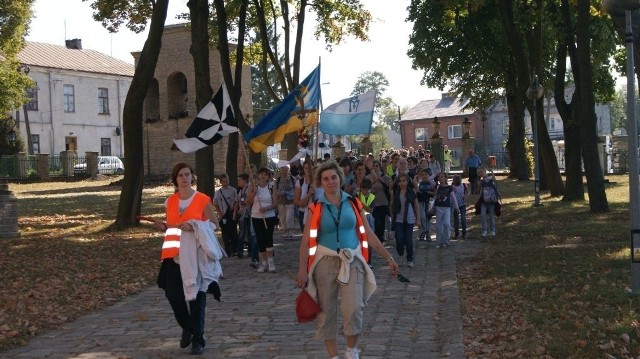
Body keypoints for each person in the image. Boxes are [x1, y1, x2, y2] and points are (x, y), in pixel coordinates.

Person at [295, 161, 400, 359]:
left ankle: (351, 351)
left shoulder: (353, 202)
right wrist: (302, 269)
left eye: (333, 177)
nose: (330, 182)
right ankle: (333, 356)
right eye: (325, 179)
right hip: (325, 263)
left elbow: (368, 234)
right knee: (326, 312)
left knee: (354, 307)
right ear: (320, 183)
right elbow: (306, 241)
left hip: (352, 260)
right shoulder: (315, 207)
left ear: (340, 178)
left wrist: (389, 258)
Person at [154, 162, 223, 355]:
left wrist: (195, 226)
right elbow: (173, 225)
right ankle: (188, 328)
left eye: (187, 174)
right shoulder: (170, 201)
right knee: (173, 296)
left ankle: (198, 340)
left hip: (195, 255)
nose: (184, 178)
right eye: (180, 175)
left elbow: (214, 225)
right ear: (175, 180)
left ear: (192, 177)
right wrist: (165, 226)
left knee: (197, 298)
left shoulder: (202, 199)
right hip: (174, 255)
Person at [246, 167, 279, 273]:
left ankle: (271, 262)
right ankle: (264, 262)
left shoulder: (271, 187)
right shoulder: (253, 187)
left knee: (268, 238)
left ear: (268, 176)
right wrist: (254, 193)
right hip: (256, 217)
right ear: (258, 175)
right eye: (261, 174)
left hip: (269, 217)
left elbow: (275, 203)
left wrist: (266, 208)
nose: (263, 176)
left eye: (266, 174)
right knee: (260, 240)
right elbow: (247, 202)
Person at [390, 173, 421, 268]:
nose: (402, 183)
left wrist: (418, 219)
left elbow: (416, 206)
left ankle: (410, 259)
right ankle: (400, 254)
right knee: (399, 239)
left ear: (407, 182)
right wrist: (392, 217)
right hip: (398, 219)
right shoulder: (395, 192)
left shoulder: (411, 192)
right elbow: (391, 205)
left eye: (404, 181)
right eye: (400, 181)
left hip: (409, 219)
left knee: (408, 240)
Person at [212, 173, 239, 257]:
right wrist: (220, 213)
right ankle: (228, 251)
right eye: (224, 181)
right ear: (221, 182)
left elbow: (236, 202)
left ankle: (234, 249)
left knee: (234, 233)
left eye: (227, 181)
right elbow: (215, 203)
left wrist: (234, 212)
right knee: (225, 234)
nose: (225, 183)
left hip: (231, 214)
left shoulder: (233, 190)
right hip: (223, 215)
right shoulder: (218, 192)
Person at [236, 173, 259, 267]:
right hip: (246, 213)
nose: (238, 182)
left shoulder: (251, 188)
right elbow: (242, 201)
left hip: (252, 213)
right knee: (244, 233)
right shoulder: (243, 190)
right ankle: (242, 252)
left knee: (251, 233)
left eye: (240, 180)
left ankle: (251, 251)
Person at [433, 172, 458, 248]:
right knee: (439, 224)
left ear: (445, 178)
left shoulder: (449, 188)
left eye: (442, 176)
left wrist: (456, 207)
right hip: (438, 207)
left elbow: (453, 197)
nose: (440, 178)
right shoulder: (437, 187)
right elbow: (435, 197)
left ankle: (446, 240)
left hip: (447, 208)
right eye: (439, 177)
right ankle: (439, 242)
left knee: (447, 224)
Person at [275, 165, 296, 240]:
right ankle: (286, 232)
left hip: (290, 201)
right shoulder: (278, 179)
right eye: (283, 170)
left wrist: (288, 193)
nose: (284, 171)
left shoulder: (293, 179)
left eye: (286, 170)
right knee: (283, 218)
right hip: (281, 201)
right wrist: (278, 194)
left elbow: (296, 189)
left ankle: (290, 231)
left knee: (289, 217)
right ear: (280, 170)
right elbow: (275, 190)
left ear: (288, 170)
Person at [477, 167, 499, 240]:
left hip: (491, 201)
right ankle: (484, 231)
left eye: (481, 172)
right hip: (483, 201)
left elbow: (494, 180)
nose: (480, 174)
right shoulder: (481, 181)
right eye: (479, 173)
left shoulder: (490, 178)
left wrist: (492, 172)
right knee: (483, 216)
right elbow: (478, 191)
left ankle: (492, 231)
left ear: (485, 171)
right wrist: (479, 185)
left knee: (491, 216)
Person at [294, 158, 315, 232]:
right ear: (303, 169)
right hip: (303, 212)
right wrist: (307, 195)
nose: (308, 170)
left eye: (310, 167)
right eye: (306, 168)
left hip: (315, 212)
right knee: (306, 237)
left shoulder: (318, 182)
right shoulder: (299, 182)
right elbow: (296, 201)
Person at [416, 168, 435, 241]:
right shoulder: (420, 183)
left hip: (429, 201)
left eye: (425, 174)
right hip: (421, 201)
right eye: (422, 175)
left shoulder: (432, 183)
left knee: (428, 217)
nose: (424, 176)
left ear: (429, 175)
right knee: (422, 217)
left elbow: (435, 193)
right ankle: (424, 230)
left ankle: (428, 234)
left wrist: (430, 193)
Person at [451, 174, 468, 240]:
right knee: (456, 220)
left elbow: (467, 191)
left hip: (462, 204)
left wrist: (466, 196)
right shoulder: (452, 187)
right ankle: (456, 233)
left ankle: (464, 233)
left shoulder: (463, 185)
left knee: (463, 218)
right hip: (455, 205)